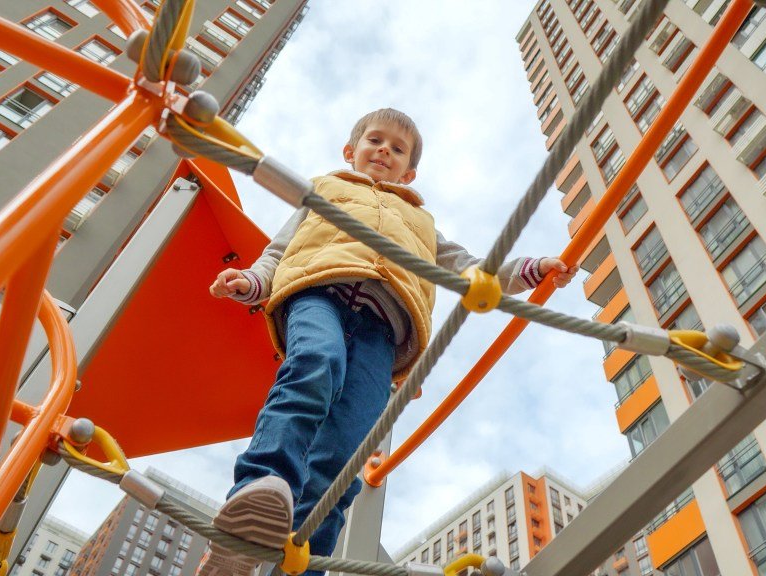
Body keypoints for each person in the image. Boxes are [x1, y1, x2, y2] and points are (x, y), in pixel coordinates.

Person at [200, 108, 577, 576]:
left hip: (384, 330)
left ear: (410, 171)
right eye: (375, 141)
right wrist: (253, 283)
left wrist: (528, 270)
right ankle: (259, 490)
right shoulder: (326, 191)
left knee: (348, 447)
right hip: (319, 292)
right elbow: (280, 251)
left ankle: (303, 562)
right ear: (350, 151)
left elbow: (469, 267)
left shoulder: (419, 222)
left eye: (397, 149)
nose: (384, 151)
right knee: (316, 364)